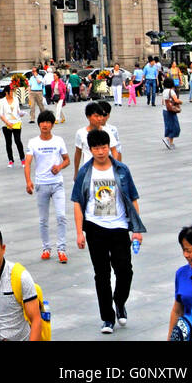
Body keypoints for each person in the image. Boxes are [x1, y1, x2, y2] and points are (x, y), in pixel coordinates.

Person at [71, 129, 146, 333]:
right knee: (101, 275)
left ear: (109, 147)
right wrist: (79, 232)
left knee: (125, 271)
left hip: (119, 227)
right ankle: (107, 318)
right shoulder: (85, 173)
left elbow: (133, 198)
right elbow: (77, 202)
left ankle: (119, 301)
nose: (101, 151)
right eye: (96, 148)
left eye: (104, 147)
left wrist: (136, 230)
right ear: (91, 149)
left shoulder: (121, 170)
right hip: (95, 229)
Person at [25, 110, 70, 263]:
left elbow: (67, 160)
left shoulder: (58, 141)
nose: (45, 125)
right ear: (39, 124)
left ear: (52, 124)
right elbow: (28, 163)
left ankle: (61, 249)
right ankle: (46, 248)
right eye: (42, 122)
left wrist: (59, 166)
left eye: (48, 122)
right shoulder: (33, 142)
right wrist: (28, 181)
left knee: (61, 216)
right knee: (43, 220)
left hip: (57, 183)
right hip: (41, 184)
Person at [73, 102, 121, 176]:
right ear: (88, 116)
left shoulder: (107, 131)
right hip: (89, 171)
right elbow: (78, 153)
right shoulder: (80, 133)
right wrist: (76, 172)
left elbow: (114, 150)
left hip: (106, 170)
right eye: (96, 116)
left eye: (101, 116)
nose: (99, 119)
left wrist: (115, 167)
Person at [0, 84, 25, 167]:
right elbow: (1, 114)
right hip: (7, 124)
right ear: (7, 92)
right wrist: (7, 123)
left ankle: (23, 159)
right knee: (8, 142)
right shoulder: (2, 101)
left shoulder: (16, 99)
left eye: (13, 91)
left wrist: (21, 114)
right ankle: (10, 160)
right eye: (11, 91)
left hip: (16, 122)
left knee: (18, 141)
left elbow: (18, 110)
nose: (12, 92)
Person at [162, 75, 182, 150]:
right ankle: (167, 139)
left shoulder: (164, 91)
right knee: (176, 127)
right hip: (171, 110)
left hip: (165, 110)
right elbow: (176, 100)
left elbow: (163, 101)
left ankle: (170, 143)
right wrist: (180, 102)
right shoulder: (171, 91)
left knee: (169, 126)